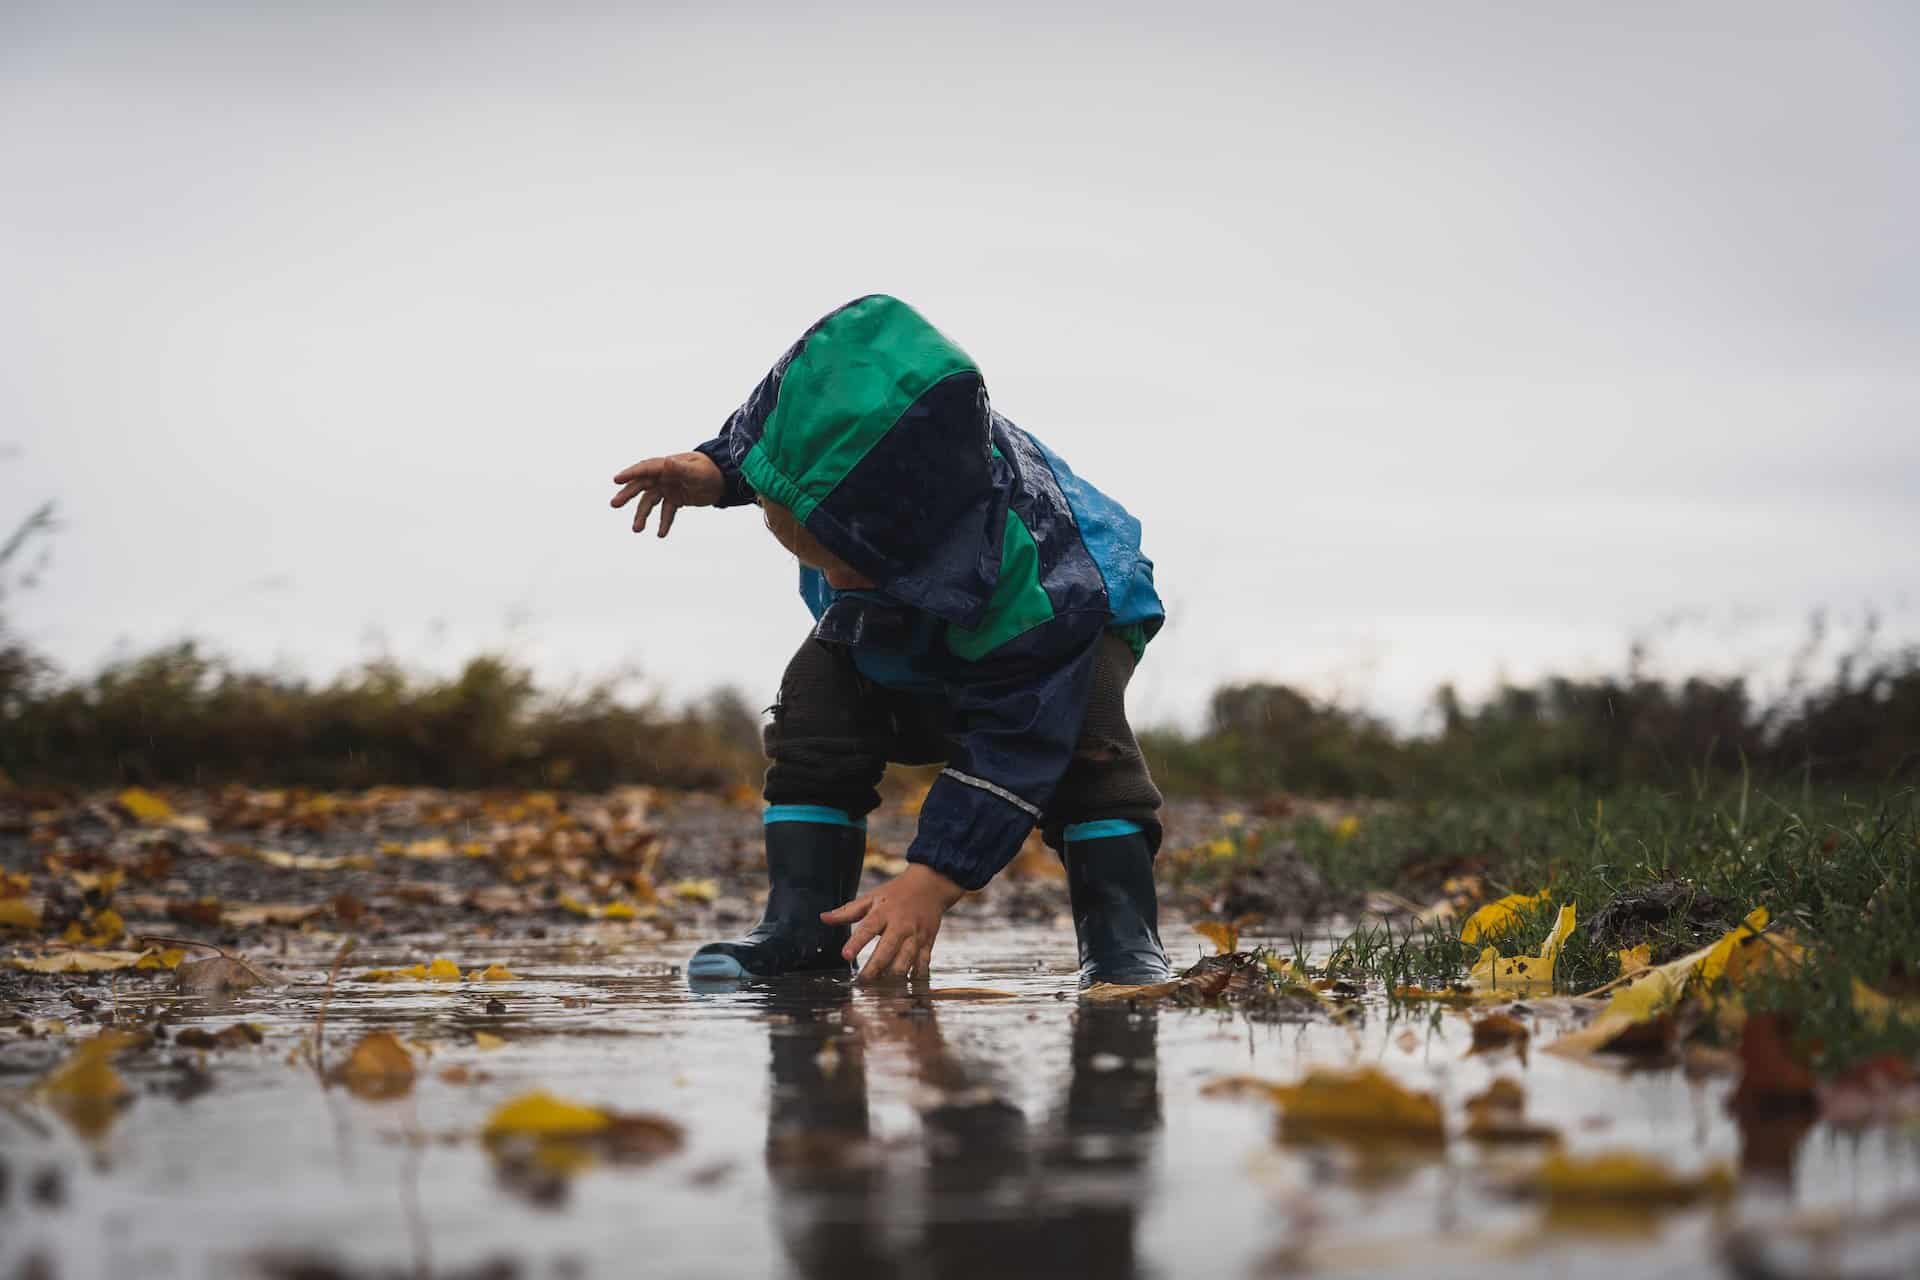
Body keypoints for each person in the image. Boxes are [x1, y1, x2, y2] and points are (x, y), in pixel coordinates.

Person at [609, 294, 1170, 987]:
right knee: (815, 698)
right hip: (911, 605)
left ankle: (1122, 941)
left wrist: (932, 880)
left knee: (1088, 751)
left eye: (847, 560)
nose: (834, 581)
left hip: (1073, 622)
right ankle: (800, 927)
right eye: (807, 548)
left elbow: (1016, 741)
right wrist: (719, 470)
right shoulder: (842, 475)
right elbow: (796, 442)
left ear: (908, 528)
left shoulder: (1041, 598)